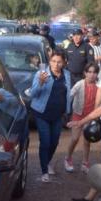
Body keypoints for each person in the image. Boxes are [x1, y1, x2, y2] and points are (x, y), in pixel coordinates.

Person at [29, 50, 71, 182]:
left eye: (59, 62)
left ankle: (47, 162)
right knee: (45, 141)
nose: (56, 64)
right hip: (42, 113)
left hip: (58, 115)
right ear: (49, 61)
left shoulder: (67, 75)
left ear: (64, 62)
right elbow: (33, 94)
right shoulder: (41, 74)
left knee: (55, 142)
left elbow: (68, 94)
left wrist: (68, 111)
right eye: (53, 61)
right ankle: (44, 171)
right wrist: (41, 82)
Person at [65, 63, 99, 175]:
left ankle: (85, 163)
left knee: (87, 141)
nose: (92, 75)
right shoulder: (79, 84)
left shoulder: (99, 86)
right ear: (85, 73)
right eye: (89, 72)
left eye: (94, 72)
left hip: (90, 116)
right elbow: (69, 95)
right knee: (75, 138)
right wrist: (64, 109)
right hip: (78, 114)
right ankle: (68, 158)